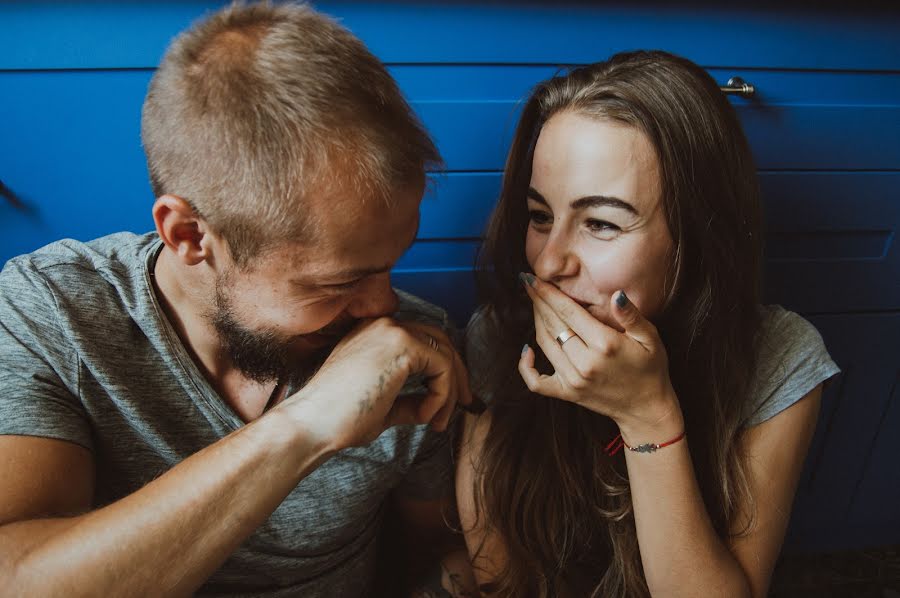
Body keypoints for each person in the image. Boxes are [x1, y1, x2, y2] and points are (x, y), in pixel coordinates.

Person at [0, 3, 478, 596]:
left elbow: (440, 549)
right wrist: (305, 427)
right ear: (191, 236)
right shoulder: (50, 310)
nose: (382, 307)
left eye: (390, 264)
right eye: (338, 283)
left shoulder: (412, 353)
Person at [456, 50, 840, 598]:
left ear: (697, 237)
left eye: (601, 223)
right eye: (540, 217)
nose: (548, 263)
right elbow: (496, 573)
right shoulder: (500, 333)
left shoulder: (780, 356)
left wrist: (649, 418)